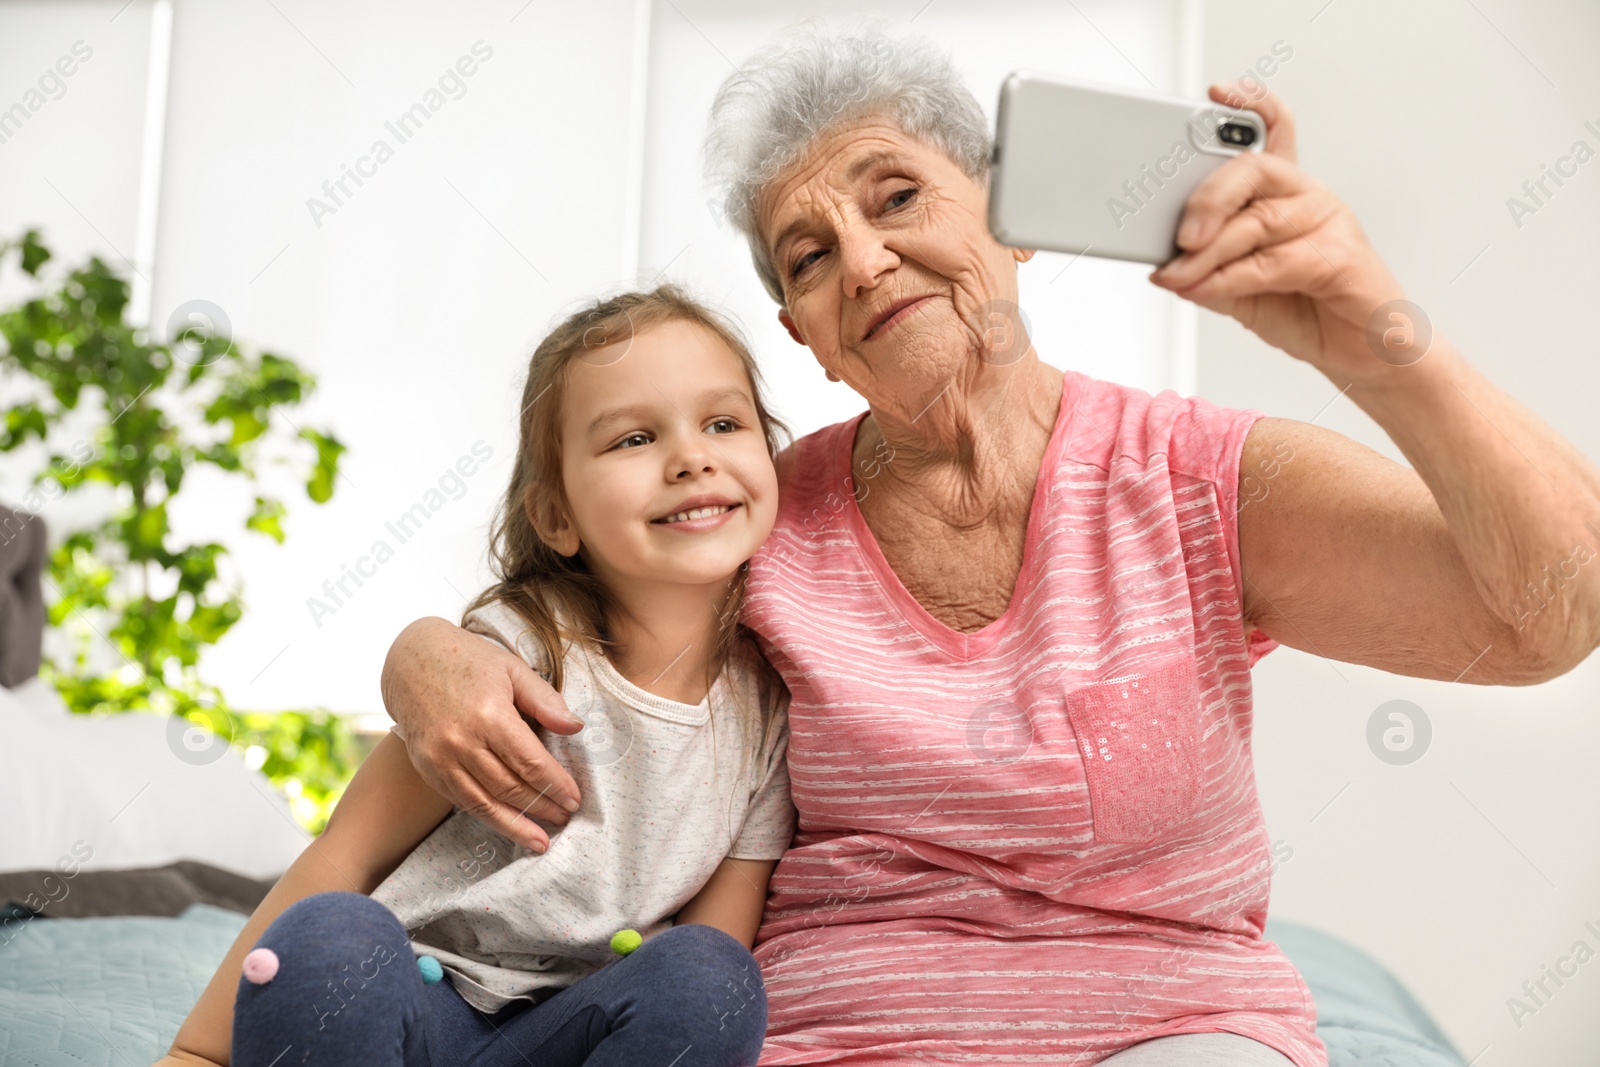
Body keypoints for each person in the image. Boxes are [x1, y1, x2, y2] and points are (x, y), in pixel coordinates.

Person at [376, 24, 1600, 1067]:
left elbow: (1554, 612)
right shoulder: (753, 512)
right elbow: (564, 623)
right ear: (804, 334)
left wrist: (1361, 332)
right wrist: (426, 649)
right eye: (808, 258)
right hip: (839, 1034)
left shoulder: (1200, 481)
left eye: (897, 195)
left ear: (1010, 221)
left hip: (1171, 1027)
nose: (863, 259)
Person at [155, 285, 798, 1067]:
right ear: (557, 516)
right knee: (329, 936)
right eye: (633, 438)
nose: (692, 456)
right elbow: (349, 850)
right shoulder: (517, 655)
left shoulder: (768, 709)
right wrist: (197, 1053)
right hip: (412, 1010)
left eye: (725, 424)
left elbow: (710, 942)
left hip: (567, 1033)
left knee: (714, 975)